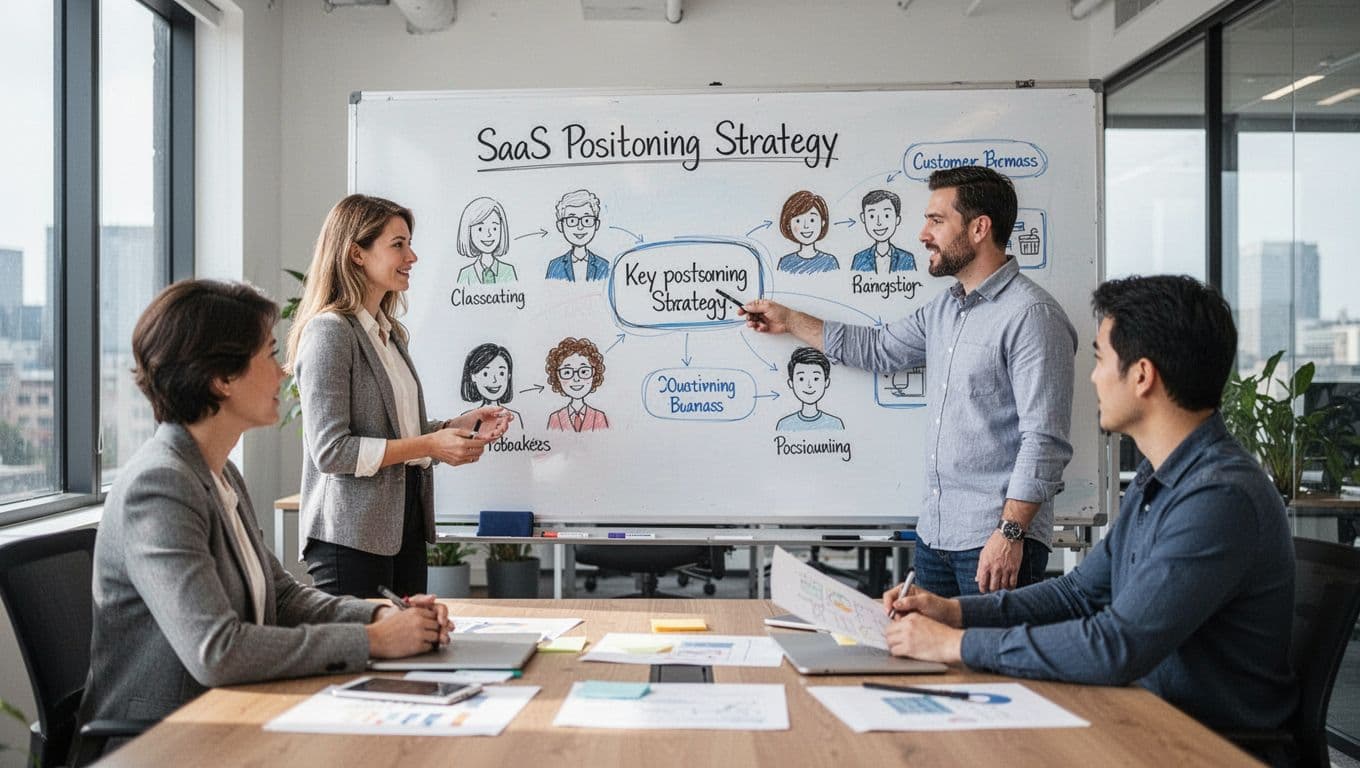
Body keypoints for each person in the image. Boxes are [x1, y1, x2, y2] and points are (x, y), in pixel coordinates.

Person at [881, 274, 1297, 740]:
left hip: (1201, 745)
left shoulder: (1220, 498)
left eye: (1100, 359)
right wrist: (954, 613)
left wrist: (957, 645)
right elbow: (1077, 594)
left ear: (1142, 375)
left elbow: (1117, 646)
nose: (1094, 376)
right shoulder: (1159, 477)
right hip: (1142, 719)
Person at [76, 280, 452, 747]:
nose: (284, 372)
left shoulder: (220, 474)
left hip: (232, 714)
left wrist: (377, 616)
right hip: (165, 740)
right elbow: (218, 650)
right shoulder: (160, 487)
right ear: (221, 378)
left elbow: (282, 598)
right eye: (270, 355)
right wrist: (374, 643)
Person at [743, 166, 1076, 596]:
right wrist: (789, 320)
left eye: (936, 220)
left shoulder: (1032, 317)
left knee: (986, 664)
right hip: (936, 539)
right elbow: (879, 348)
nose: (922, 234)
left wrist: (1010, 534)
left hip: (995, 543)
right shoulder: (945, 310)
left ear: (979, 228)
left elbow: (1044, 439)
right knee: (928, 659)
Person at [286, 194, 509, 598]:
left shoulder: (387, 332)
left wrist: (451, 428)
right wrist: (430, 445)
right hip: (351, 537)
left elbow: (393, 429)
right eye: (398, 244)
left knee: (411, 652)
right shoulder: (330, 333)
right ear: (356, 253)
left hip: (401, 528)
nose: (413, 256)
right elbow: (332, 451)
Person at [545, 337, 609, 431]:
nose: (576, 379)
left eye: (583, 372)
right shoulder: (555, 418)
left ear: (594, 372)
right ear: (557, 376)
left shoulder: (599, 417)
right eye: (567, 372)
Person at [545, 189, 610, 281]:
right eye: (572, 220)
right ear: (560, 226)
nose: (580, 227)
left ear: (597, 224)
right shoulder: (555, 265)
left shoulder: (604, 266)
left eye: (587, 220)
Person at [775, 347, 844, 431]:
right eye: (801, 379)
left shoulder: (835, 424)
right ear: (791, 383)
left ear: (826, 382)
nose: (809, 385)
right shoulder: (784, 425)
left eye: (816, 379)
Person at [461, 342, 523, 433]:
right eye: (485, 374)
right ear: (473, 376)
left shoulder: (514, 417)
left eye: (501, 374)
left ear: (509, 375)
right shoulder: (467, 417)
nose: (494, 380)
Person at [850, 189, 916, 273]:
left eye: (886, 215)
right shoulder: (859, 259)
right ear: (863, 218)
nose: (879, 223)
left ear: (897, 219)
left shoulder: (906, 258)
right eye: (872, 216)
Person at [455, 196, 517, 285]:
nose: (489, 234)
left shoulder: (508, 271)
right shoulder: (466, 274)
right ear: (468, 231)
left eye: (494, 228)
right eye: (480, 229)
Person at [775, 190, 840, 274]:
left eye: (812, 220)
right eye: (798, 221)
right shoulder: (785, 263)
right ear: (789, 225)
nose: (806, 226)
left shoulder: (830, 262)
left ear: (822, 222)